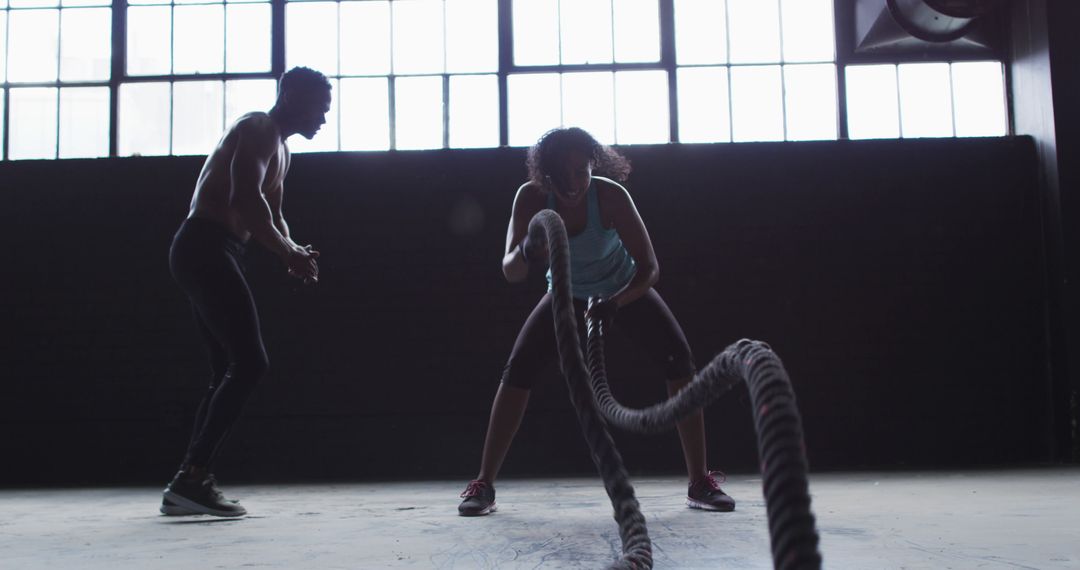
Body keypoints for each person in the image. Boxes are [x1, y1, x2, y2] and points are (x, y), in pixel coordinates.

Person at [458, 127, 736, 516]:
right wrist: (525, 249)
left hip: (622, 288)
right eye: (563, 173)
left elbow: (650, 268)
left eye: (581, 171)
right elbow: (511, 271)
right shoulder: (533, 198)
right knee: (517, 370)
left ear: (592, 166)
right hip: (565, 295)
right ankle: (483, 483)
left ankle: (699, 482)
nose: (573, 182)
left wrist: (617, 302)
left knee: (679, 361)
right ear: (546, 173)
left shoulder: (609, 196)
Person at [160, 67, 330, 517]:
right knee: (250, 362)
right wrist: (283, 254)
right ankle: (191, 477)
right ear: (292, 96)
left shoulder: (284, 151)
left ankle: (189, 482)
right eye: (320, 108)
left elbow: (273, 214)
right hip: (204, 246)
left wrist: (294, 249)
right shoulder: (258, 128)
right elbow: (246, 199)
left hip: (218, 250)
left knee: (226, 371)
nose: (324, 120)